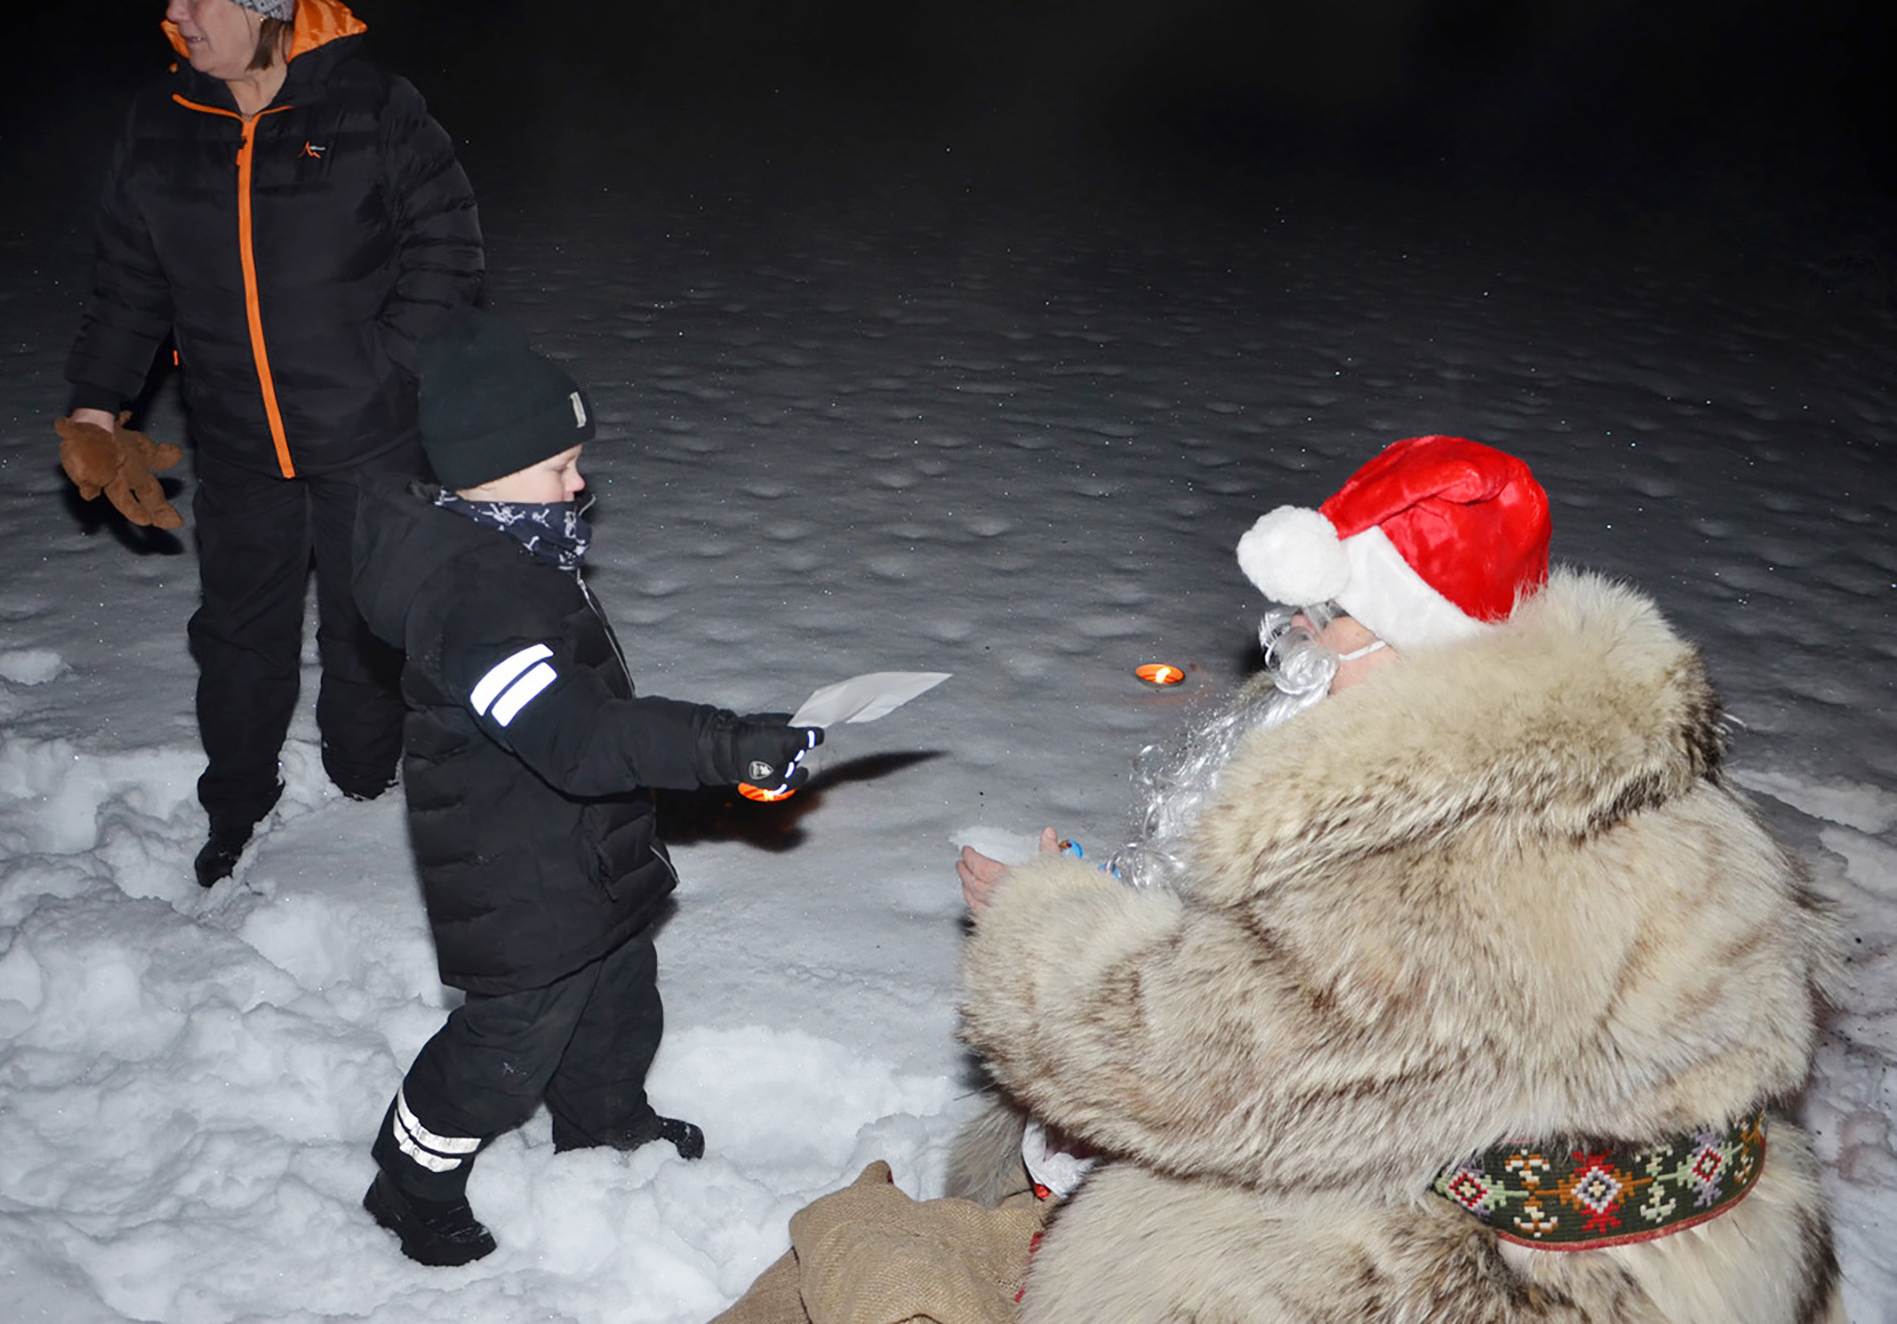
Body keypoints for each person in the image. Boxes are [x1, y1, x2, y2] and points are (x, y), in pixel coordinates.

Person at [944, 435, 1845, 1322]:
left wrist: (1041, 920)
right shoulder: (1621, 767)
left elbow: (1182, 1069)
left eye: (1329, 626)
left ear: (1427, 644)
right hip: (1733, 1256)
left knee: (1160, 1248)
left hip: (1546, 1286)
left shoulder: (1445, 866)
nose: (1296, 655)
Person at [350, 306, 824, 1267]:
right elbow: (575, 735)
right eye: (561, 467)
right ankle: (408, 1178)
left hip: (581, 855)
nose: (581, 482)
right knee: (503, 1053)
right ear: (491, 472)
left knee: (617, 1003)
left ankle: (605, 1128)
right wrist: (722, 748)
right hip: (513, 877)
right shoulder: (475, 603)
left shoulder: (517, 553)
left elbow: (587, 729)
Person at [56, 0, 484, 887]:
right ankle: (236, 801)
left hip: (369, 434)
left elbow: (447, 250)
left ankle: (364, 775)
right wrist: (97, 407)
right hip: (236, 436)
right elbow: (129, 281)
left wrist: (386, 370)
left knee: (369, 624)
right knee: (238, 631)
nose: (174, 13)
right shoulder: (160, 122)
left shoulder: (373, 109)